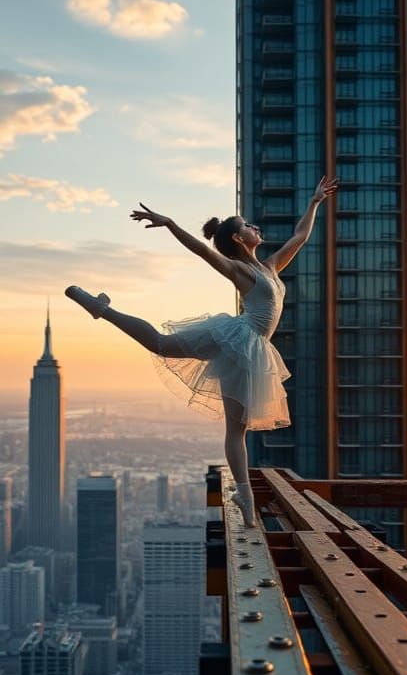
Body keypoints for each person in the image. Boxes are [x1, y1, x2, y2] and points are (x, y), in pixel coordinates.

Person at [65, 175, 338, 526]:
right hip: (239, 339)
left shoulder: (270, 267)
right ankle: (102, 309)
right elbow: (203, 251)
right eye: (248, 225)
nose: (255, 227)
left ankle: (244, 495)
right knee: (162, 346)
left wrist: (314, 202)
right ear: (239, 239)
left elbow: (300, 237)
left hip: (251, 348)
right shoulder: (239, 270)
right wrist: (170, 224)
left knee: (236, 429)